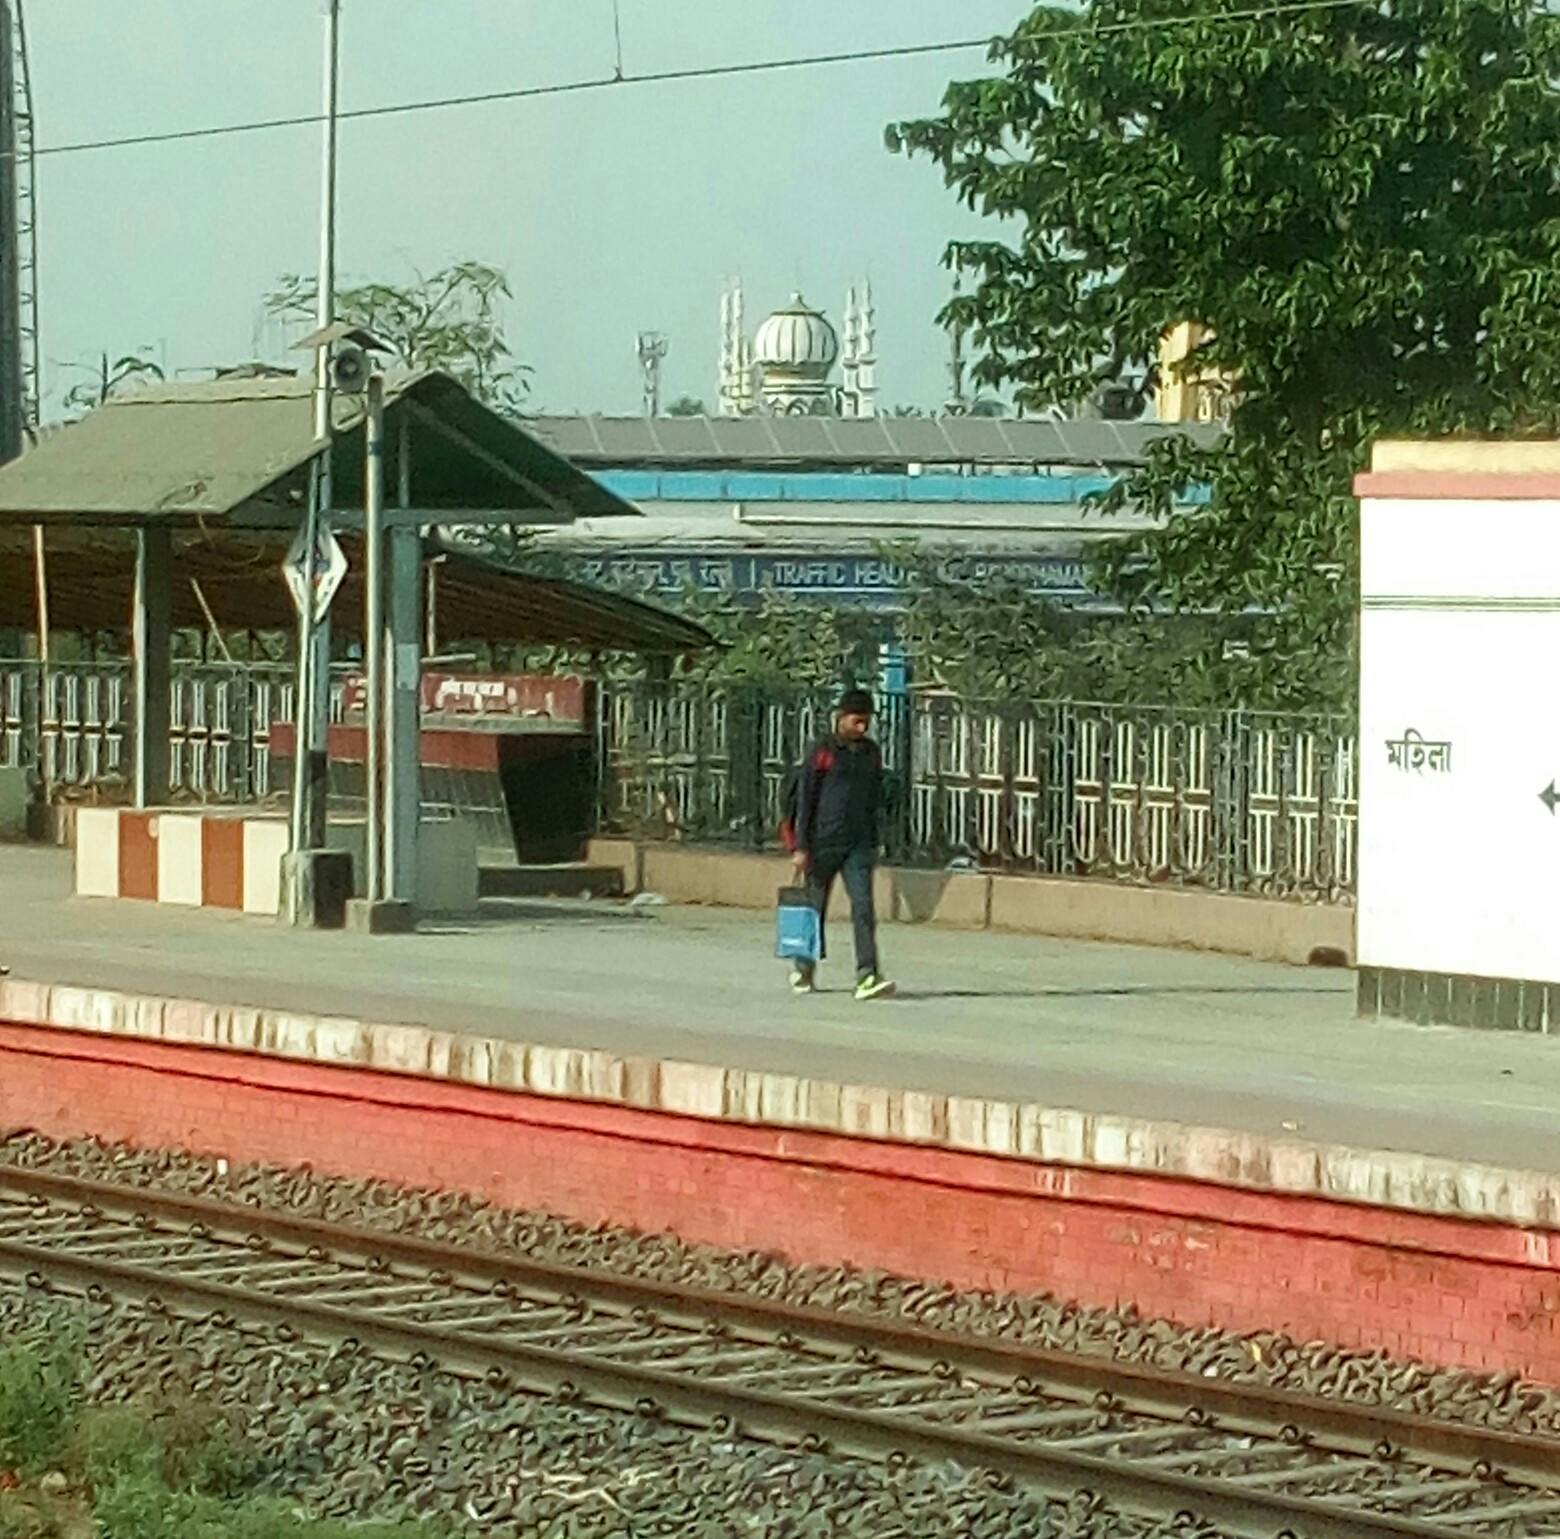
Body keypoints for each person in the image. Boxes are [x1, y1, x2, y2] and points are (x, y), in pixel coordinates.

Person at [789, 688, 895, 1001]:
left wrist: (876, 839)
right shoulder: (821, 751)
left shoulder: (871, 753)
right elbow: (806, 799)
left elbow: (874, 797)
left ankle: (867, 973)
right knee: (814, 909)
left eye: (867, 722)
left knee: (863, 907)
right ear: (841, 717)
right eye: (857, 721)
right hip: (822, 845)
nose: (862, 728)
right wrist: (801, 846)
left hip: (858, 845)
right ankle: (804, 968)